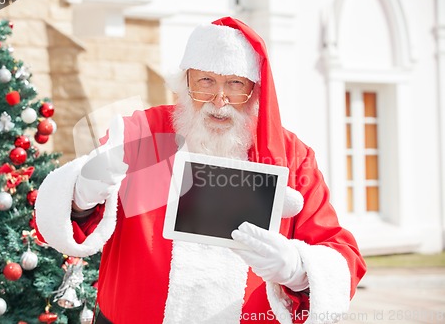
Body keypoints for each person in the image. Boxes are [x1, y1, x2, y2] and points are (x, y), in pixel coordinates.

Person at [35, 17, 366, 324]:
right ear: (185, 82)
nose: (219, 100)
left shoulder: (293, 155)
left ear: (255, 91)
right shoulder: (140, 132)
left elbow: (341, 254)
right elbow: (74, 219)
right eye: (205, 81)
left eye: (235, 84)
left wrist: (297, 268)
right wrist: (79, 193)